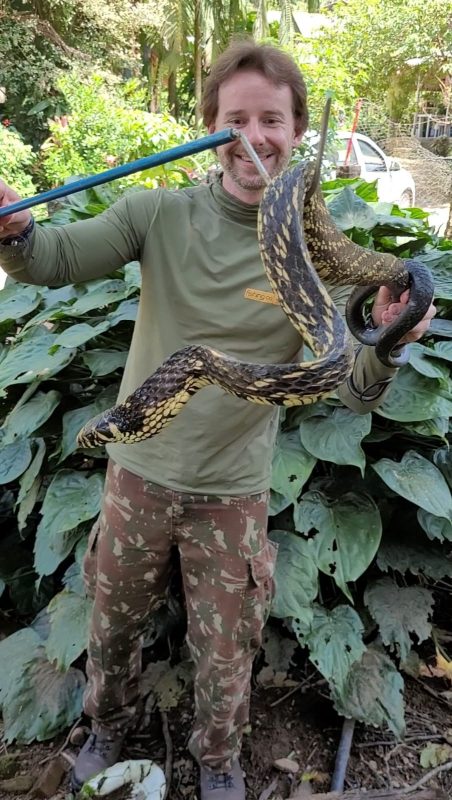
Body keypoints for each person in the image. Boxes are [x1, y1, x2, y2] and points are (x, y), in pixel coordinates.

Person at [0, 39, 435, 800]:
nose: (253, 137)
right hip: (139, 476)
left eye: (272, 120)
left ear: (296, 132)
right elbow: (53, 259)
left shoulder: (313, 259)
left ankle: (219, 761)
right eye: (235, 119)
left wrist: (390, 338)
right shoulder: (159, 213)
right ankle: (109, 732)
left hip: (233, 493)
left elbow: (354, 391)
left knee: (228, 647)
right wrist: (12, 232)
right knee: (112, 628)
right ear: (210, 126)